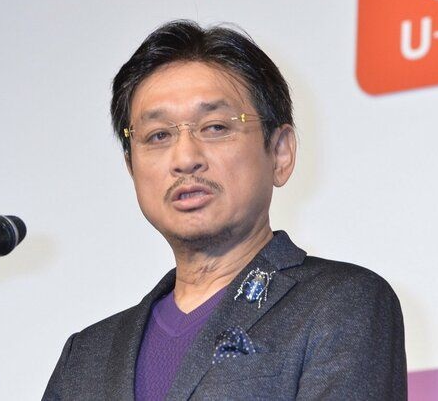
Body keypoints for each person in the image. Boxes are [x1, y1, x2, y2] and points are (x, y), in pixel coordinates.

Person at [43, 20, 407, 400]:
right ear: (131, 167)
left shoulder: (339, 304)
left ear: (280, 152)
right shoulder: (85, 357)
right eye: (158, 135)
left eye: (215, 127)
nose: (185, 158)